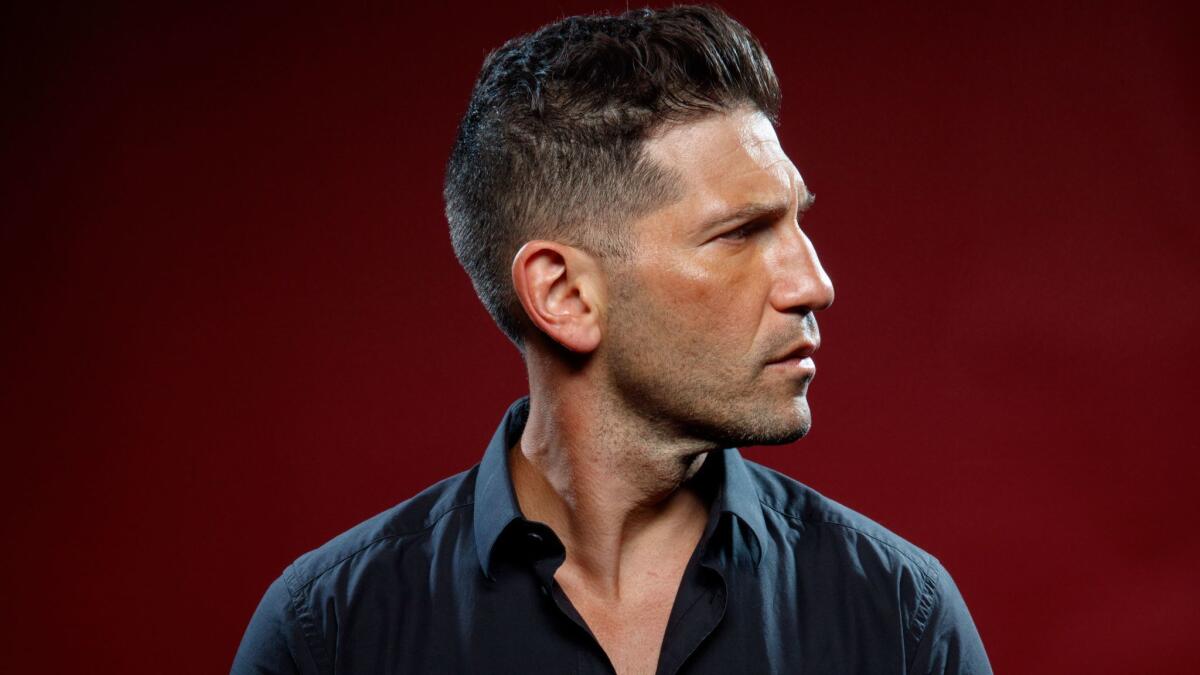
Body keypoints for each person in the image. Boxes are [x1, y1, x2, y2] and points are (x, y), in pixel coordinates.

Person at [232, 6, 992, 674]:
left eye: (797, 220)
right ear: (564, 294)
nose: (813, 283)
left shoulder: (898, 618)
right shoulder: (328, 635)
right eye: (741, 233)